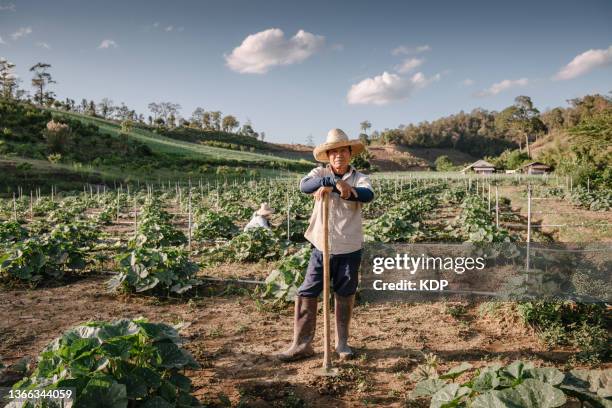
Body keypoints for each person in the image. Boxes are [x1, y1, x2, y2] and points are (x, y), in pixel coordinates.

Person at [277, 128, 374, 362]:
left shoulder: (359, 177)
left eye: (343, 151)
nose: (338, 155)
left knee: (345, 292)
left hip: (349, 246)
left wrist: (344, 190)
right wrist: (332, 181)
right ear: (328, 156)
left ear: (350, 154)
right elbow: (305, 186)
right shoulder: (318, 172)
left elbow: (367, 195)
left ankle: (342, 344)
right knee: (308, 290)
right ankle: (302, 344)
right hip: (321, 246)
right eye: (334, 152)